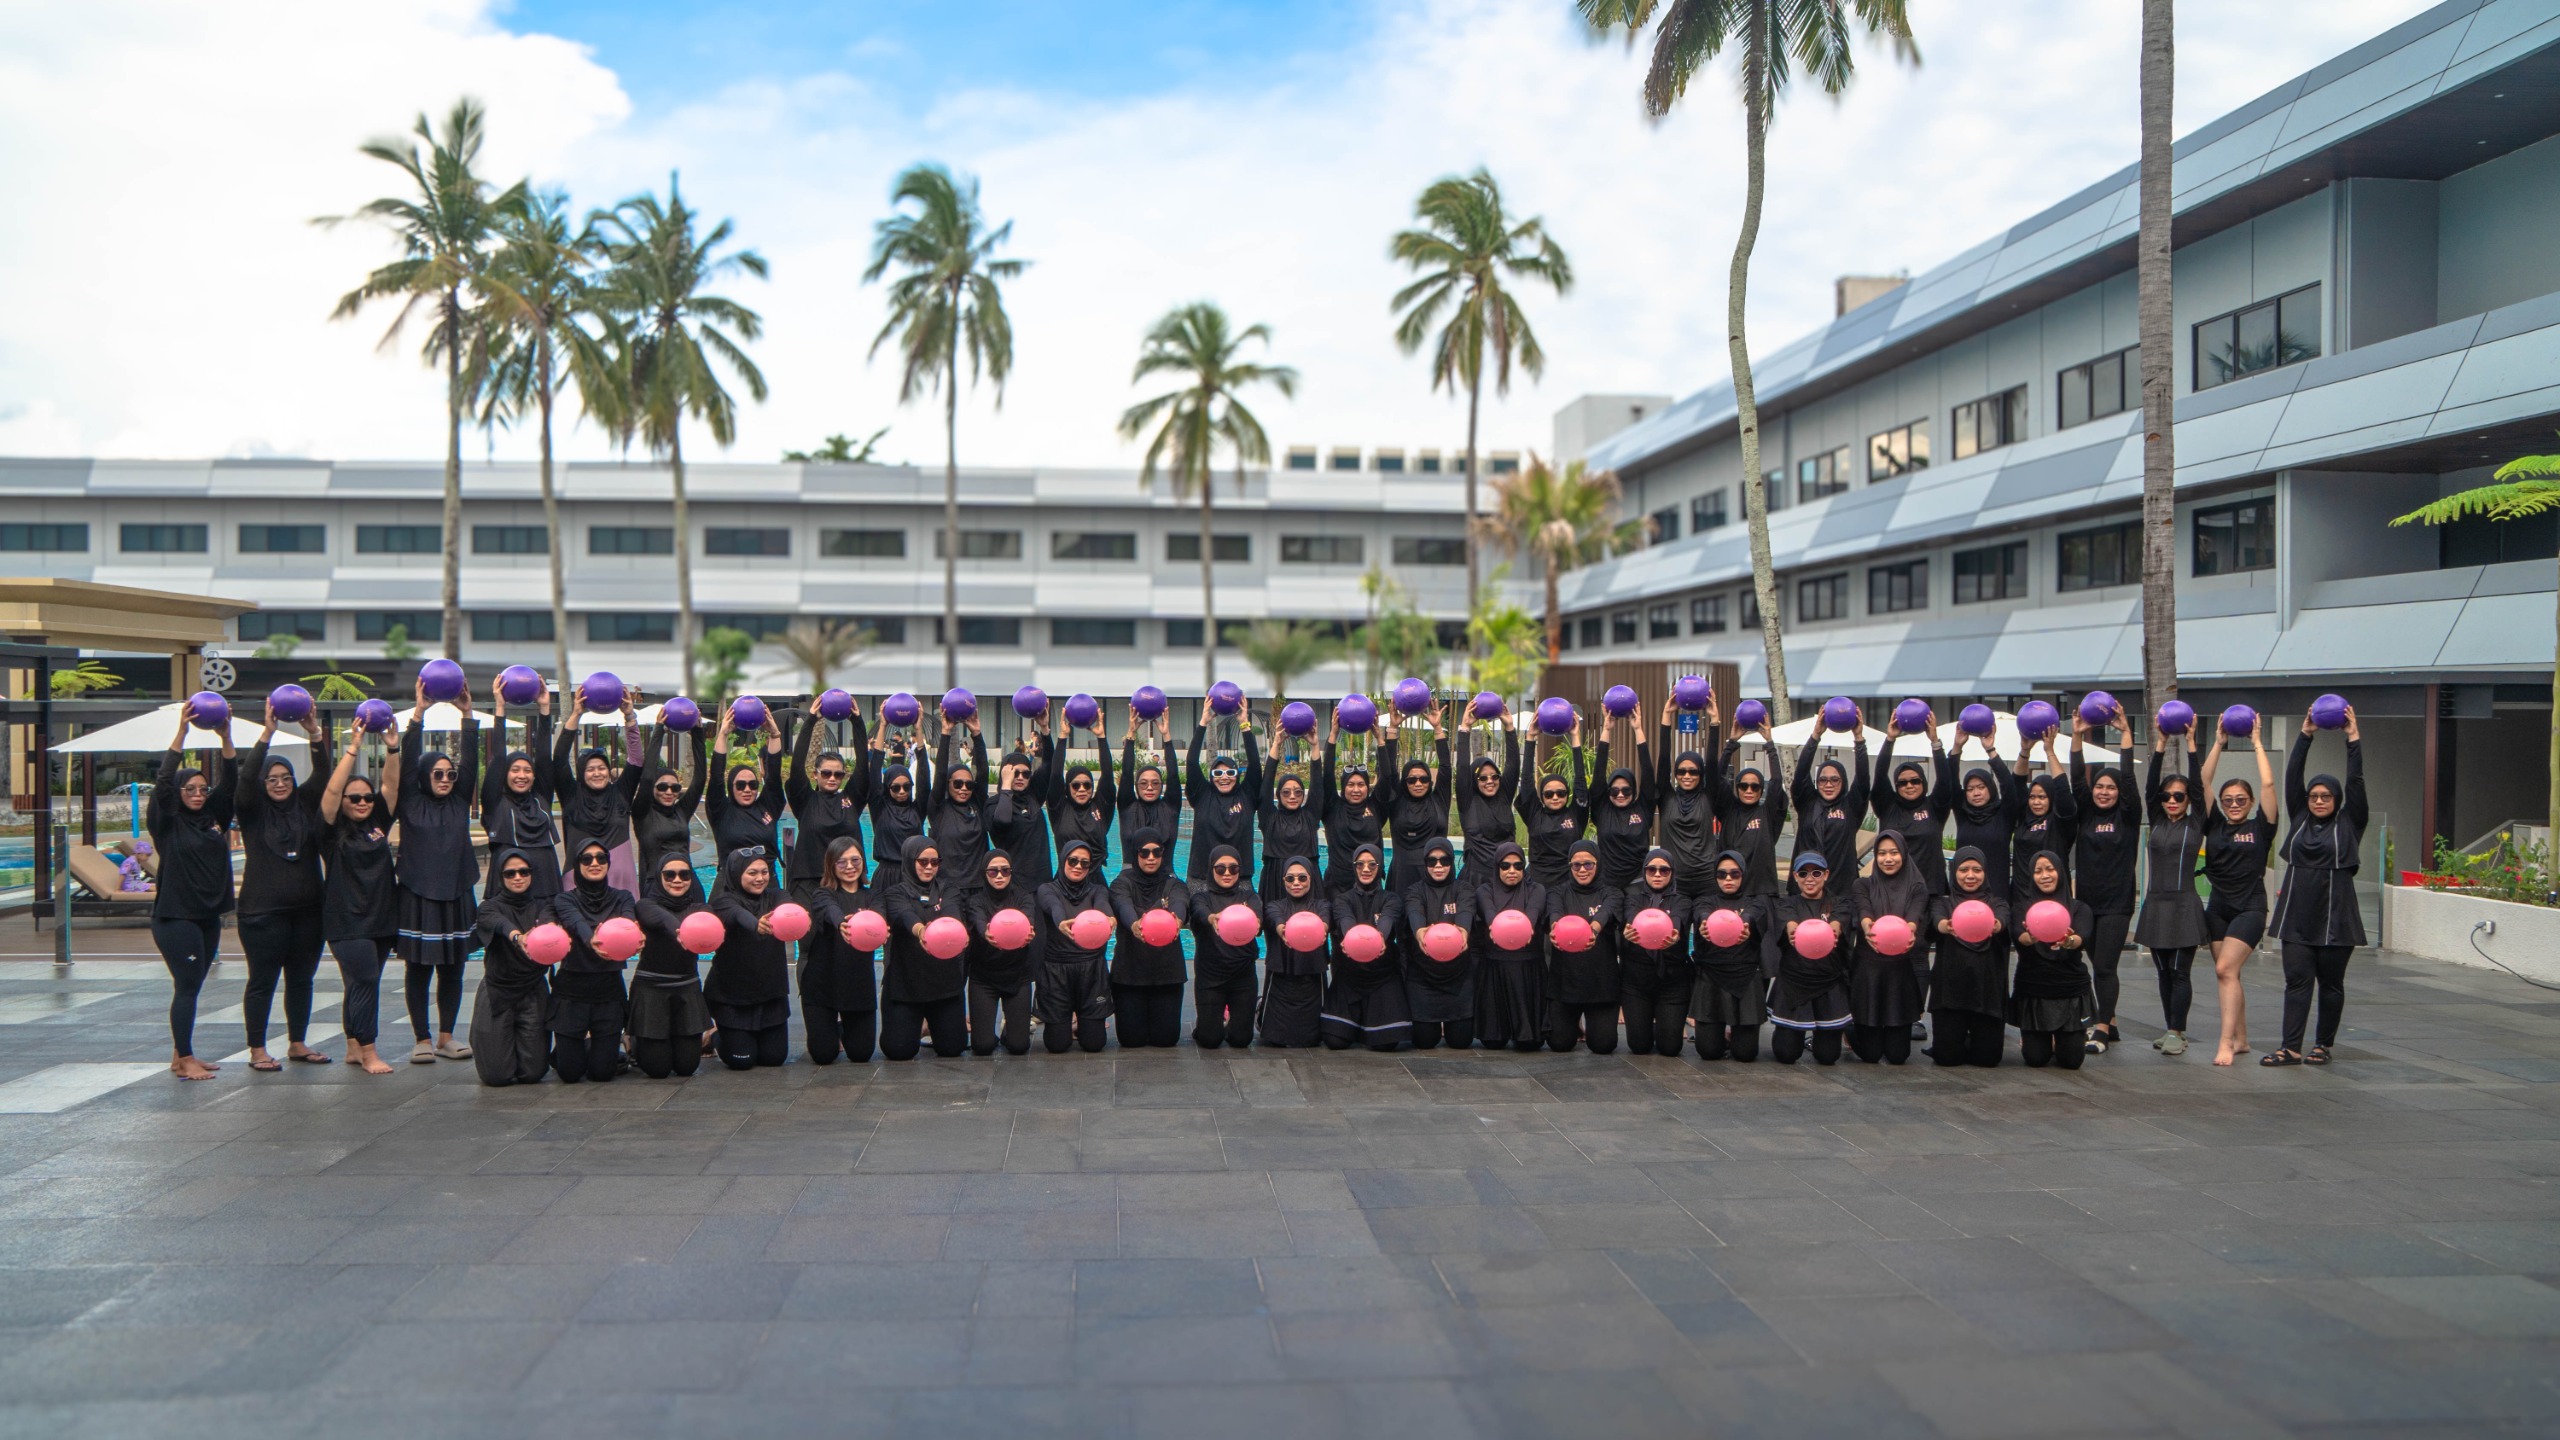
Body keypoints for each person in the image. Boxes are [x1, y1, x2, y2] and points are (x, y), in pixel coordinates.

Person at [234, 702, 332, 1070]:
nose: (279, 784)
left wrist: (315, 734)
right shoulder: (252, 810)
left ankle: (297, 1042)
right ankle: (257, 1048)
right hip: (263, 913)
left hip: (308, 911)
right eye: (272, 779)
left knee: (301, 980)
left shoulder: (305, 805)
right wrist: (267, 732)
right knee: (262, 980)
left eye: (285, 778)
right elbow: (244, 781)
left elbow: (323, 774)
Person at [2269, 705, 2367, 1066]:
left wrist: (2352, 738)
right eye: (2315, 796)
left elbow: (2356, 783)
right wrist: (2305, 734)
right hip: (2296, 913)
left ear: (2336, 800)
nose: (2320, 801)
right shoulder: (2298, 817)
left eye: (2326, 797)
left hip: (2336, 917)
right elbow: (2293, 776)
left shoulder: (2350, 822)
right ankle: (2290, 1047)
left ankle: (2322, 1045)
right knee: (2297, 982)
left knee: (2331, 985)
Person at [148, 710, 236, 1081]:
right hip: (176, 917)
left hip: (207, 915)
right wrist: (181, 733)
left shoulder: (213, 818)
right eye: (191, 789)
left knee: (194, 984)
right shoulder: (166, 823)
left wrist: (226, 736)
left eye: (202, 789)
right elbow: (163, 782)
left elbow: (231, 781)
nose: (198, 794)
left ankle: (180, 1053)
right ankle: (185, 1058)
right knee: (186, 986)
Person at [394, 682, 479, 1062]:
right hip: (418, 892)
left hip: (457, 891)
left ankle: (446, 1036)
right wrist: (419, 712)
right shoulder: (410, 801)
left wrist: (467, 716)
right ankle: (422, 1038)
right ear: (425, 776)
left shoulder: (460, 802)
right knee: (419, 968)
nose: (446, 779)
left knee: (453, 967)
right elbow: (409, 759)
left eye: (450, 774)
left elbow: (472, 762)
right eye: (439, 774)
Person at [320, 719, 400, 1074]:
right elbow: (332, 794)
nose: (363, 801)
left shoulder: (378, 823)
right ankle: (369, 1050)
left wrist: (392, 746)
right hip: (346, 921)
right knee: (366, 979)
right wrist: (352, 747)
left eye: (367, 796)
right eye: (355, 798)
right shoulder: (330, 831)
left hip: (381, 918)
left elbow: (391, 784)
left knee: (359, 982)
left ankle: (353, 1044)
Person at [2203, 713, 2277, 1067]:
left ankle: (2226, 1042)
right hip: (2218, 906)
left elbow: (2268, 786)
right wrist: (2218, 742)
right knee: (2230, 973)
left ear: (2249, 803)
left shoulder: (2261, 828)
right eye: (2228, 800)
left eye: (2240, 799)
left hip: (2249, 906)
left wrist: (2258, 741)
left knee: (2224, 971)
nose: (2233, 804)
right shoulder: (2214, 824)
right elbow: (2202, 782)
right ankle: (2243, 1038)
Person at [2069, 705, 2141, 1057]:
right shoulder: (2084, 814)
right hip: (2086, 903)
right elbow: (2075, 782)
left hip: (2116, 903)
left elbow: (2129, 782)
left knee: (2107, 967)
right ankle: (2108, 1022)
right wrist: (2078, 736)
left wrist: (2126, 735)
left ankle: (2100, 1027)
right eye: (2100, 786)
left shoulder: (2127, 816)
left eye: (2110, 788)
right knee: (2094, 964)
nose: (2104, 792)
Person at [2132, 728, 2207, 1057]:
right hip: (2157, 904)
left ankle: (2179, 1030)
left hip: (2184, 905)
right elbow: (2149, 788)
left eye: (2179, 796)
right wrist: (2160, 745)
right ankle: (2170, 1028)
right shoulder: (2158, 821)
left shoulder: (2196, 823)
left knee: (2180, 971)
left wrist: (2191, 746)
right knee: (2163, 972)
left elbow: (2201, 791)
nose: (2172, 801)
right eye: (2167, 796)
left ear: (2188, 799)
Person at [548, 839, 635, 1083]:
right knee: (569, 1073)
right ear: (577, 865)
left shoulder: (623, 897)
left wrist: (634, 934)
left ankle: (599, 1049)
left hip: (608, 990)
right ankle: (572, 1050)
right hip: (571, 990)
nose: (595, 863)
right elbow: (575, 921)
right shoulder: (565, 900)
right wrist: (592, 939)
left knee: (602, 1073)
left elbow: (627, 922)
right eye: (587, 859)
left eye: (601, 858)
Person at [468, 848, 553, 1087]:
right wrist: (518, 937)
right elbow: (499, 923)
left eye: (523, 872)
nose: (518, 877)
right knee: (496, 1076)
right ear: (500, 877)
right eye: (510, 873)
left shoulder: (542, 906)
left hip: (532, 989)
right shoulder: (489, 907)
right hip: (498, 990)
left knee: (533, 1073)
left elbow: (549, 923)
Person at [879, 836, 968, 1060]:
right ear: (910, 861)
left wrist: (957, 931)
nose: (929, 868)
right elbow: (904, 915)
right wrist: (922, 931)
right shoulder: (895, 893)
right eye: (922, 862)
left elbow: (952, 912)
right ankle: (916, 1024)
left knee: (952, 1049)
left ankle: (932, 1024)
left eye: (935, 862)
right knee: (899, 1051)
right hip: (906, 983)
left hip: (942, 982)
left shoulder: (949, 889)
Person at [706, 847, 793, 1069]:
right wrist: (757, 925)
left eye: (764, 872)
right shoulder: (723, 901)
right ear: (736, 874)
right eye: (752, 873)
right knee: (741, 1061)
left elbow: (788, 906)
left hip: (769, 993)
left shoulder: (776, 895)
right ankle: (714, 1036)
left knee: (774, 1059)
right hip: (733, 996)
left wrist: (795, 917)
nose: (760, 878)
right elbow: (737, 915)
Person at [1848, 831, 1929, 1065]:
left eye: (1894, 853)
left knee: (1897, 1056)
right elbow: (1864, 912)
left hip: (1899, 973)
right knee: (1871, 1055)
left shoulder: (1917, 887)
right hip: (1868, 969)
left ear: (1904, 854)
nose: (1888, 859)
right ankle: (1850, 1029)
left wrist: (1909, 930)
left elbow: (1914, 916)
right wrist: (1868, 927)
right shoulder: (1862, 884)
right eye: (1882, 853)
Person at [554, 681, 645, 891]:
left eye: (602, 768)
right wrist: (576, 715)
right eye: (590, 769)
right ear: (581, 773)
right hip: (578, 880)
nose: (597, 773)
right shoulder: (571, 795)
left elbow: (636, 760)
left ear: (609, 771)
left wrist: (630, 717)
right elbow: (559, 759)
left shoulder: (621, 793)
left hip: (621, 881)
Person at [631, 853, 714, 1078]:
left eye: (684, 875)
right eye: (669, 875)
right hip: (652, 989)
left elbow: (708, 924)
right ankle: (636, 1039)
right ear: (659, 878)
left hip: (685, 989)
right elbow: (659, 918)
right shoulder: (645, 905)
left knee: (686, 1067)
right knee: (658, 1069)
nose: (677, 880)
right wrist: (682, 931)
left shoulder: (701, 909)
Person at [2011, 851, 2095, 1070]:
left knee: (2071, 1061)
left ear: (2061, 872)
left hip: (2069, 989)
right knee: (2036, 1059)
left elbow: (2080, 938)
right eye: (2038, 871)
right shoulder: (2022, 907)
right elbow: (2019, 936)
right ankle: (2037, 1039)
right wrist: (2031, 937)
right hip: (2034, 988)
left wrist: (2068, 941)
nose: (2044, 875)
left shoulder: (2079, 908)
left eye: (2050, 869)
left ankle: (2066, 1039)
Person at [1927, 848, 2010, 1067]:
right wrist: (1947, 926)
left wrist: (1994, 925)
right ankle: (1956, 1038)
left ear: (1985, 873)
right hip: (1951, 993)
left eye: (1977, 870)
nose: (1970, 875)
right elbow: (1937, 920)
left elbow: (2002, 921)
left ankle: (1974, 1038)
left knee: (1988, 1060)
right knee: (1947, 1058)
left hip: (1986, 991)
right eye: (1963, 870)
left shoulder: (1997, 903)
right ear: (1954, 872)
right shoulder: (1942, 903)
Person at [801, 836, 881, 1064]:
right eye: (841, 861)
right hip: (822, 986)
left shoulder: (872, 895)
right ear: (831, 865)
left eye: (855, 860)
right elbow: (830, 909)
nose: (849, 867)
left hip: (857, 986)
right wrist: (842, 924)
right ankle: (827, 1028)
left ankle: (843, 1027)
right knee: (824, 1055)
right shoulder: (822, 894)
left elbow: (879, 915)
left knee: (861, 1054)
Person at [1768, 852, 1853, 1066]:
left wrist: (1834, 929)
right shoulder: (1786, 904)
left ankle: (1827, 1034)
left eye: (1816, 873)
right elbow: (1789, 925)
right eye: (1803, 873)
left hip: (1828, 982)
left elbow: (1838, 924)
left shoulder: (1839, 903)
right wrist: (1793, 930)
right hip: (1795, 981)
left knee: (1828, 1056)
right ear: (1795, 877)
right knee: (1786, 1054)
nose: (1810, 878)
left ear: (1826, 875)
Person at [1322, 844, 1409, 1050]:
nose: (1366, 869)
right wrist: (1353, 940)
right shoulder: (1343, 899)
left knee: (1386, 1044)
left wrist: (1378, 938)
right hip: (1350, 974)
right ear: (1354, 867)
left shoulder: (1391, 899)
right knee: (1335, 1041)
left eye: (1372, 864)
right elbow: (1345, 920)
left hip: (1382, 974)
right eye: (1360, 864)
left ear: (1380, 867)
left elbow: (1387, 921)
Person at [1109, 829, 1188, 1048]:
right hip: (1130, 974)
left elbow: (1180, 901)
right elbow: (1122, 903)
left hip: (1166, 974)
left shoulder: (1173, 883)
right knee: (1131, 1040)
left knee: (1166, 1039)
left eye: (1156, 852)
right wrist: (1134, 923)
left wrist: (1177, 919)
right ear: (1135, 854)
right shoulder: (1121, 883)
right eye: (1144, 853)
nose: (1151, 858)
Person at [482, 679, 559, 899]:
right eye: (515, 770)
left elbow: (544, 758)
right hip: (508, 880)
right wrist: (500, 708)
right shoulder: (496, 802)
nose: (522, 775)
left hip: (545, 879)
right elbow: (497, 757)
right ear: (505, 775)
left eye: (527, 770)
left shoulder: (541, 798)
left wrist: (544, 710)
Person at [1034, 840, 1114, 1053]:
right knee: (1057, 1045)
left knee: (1094, 1043)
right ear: (1063, 861)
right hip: (1057, 969)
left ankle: (1084, 1022)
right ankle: (1065, 1021)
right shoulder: (1046, 889)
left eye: (1084, 864)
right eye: (1073, 860)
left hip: (1090, 968)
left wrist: (1109, 917)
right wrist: (1061, 922)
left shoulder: (1097, 890)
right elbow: (1054, 905)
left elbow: (1103, 905)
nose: (1078, 866)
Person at [786, 698, 869, 898]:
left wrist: (857, 722)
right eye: (826, 773)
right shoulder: (806, 800)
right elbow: (797, 766)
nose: (832, 778)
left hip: (847, 881)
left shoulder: (851, 799)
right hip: (809, 881)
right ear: (815, 774)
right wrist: (811, 720)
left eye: (838, 774)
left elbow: (863, 765)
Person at [1546, 839, 1622, 1054]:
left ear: (1598, 865)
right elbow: (1554, 914)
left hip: (1601, 983)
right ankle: (1571, 1026)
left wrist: (1593, 930)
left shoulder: (1612, 893)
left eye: (1588, 864)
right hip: (1565, 981)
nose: (1582, 870)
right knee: (1559, 1044)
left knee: (1603, 1045)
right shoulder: (1558, 892)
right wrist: (1555, 929)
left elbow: (1605, 913)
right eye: (1576, 865)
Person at [1472, 842, 1547, 1052]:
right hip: (1495, 965)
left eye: (1518, 866)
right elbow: (1490, 915)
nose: (1512, 871)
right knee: (1493, 1042)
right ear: (1496, 867)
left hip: (1527, 965)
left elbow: (1533, 913)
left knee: (1529, 1043)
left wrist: (1525, 928)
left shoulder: (1537, 890)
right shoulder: (1484, 891)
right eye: (1505, 866)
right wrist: (1500, 930)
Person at [1690, 853, 1766, 1061]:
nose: (1728, 879)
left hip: (1745, 975)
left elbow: (1752, 916)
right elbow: (1701, 913)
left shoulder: (1756, 901)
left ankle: (1738, 1036)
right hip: (1711, 976)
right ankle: (1719, 1037)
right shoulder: (1705, 900)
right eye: (1722, 874)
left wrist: (1744, 925)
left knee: (1746, 1054)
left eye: (1734, 874)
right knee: (1708, 1051)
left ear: (1743, 875)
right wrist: (1705, 923)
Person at [1403, 837, 1476, 1050]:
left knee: (1461, 1042)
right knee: (1424, 1041)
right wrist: (1420, 932)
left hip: (1458, 975)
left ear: (1452, 863)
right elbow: (1414, 912)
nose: (1438, 866)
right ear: (1425, 864)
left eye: (1444, 861)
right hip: (1424, 976)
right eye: (1432, 861)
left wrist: (1462, 931)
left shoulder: (1464, 889)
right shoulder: (1415, 890)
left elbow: (1466, 911)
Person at [1186, 845, 1262, 1048]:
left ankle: (1233, 1019)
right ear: (1211, 870)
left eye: (1233, 868)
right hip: (1211, 977)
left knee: (1241, 1040)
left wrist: (1255, 921)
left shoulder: (1249, 897)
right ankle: (1207, 1024)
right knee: (1210, 1040)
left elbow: (1258, 916)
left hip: (1242, 977)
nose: (1227, 873)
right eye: (1220, 869)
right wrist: (1212, 918)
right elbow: (1199, 912)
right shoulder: (1202, 898)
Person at [965, 849, 1039, 1056]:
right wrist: (985, 932)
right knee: (982, 1046)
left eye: (1005, 871)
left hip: (1017, 976)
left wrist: (1029, 929)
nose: (999, 876)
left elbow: (1028, 917)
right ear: (984, 873)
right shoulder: (975, 901)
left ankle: (1011, 1030)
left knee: (1018, 1046)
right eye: (993, 871)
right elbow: (978, 920)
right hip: (984, 978)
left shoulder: (1023, 897)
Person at [1619, 847, 1691, 1057]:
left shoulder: (1682, 900)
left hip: (1672, 981)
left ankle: (1667, 1025)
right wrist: (1630, 929)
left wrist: (1674, 934)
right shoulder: (1632, 898)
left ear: (1672, 872)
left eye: (1664, 870)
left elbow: (1678, 919)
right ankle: (1645, 1023)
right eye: (1651, 870)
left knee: (1670, 1048)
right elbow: (1631, 917)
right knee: (1639, 1047)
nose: (1657, 874)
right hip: (1637, 981)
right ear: (1644, 872)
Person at [1871, 714, 1956, 894]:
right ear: (1896, 787)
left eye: (1915, 781)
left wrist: (1934, 741)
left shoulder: (1935, 807)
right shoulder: (1888, 807)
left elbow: (1945, 781)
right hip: (1892, 890)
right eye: (1902, 783)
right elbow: (1879, 776)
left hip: (1931, 888)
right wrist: (1889, 740)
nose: (1909, 785)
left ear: (1923, 783)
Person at [708, 703, 787, 882]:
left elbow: (773, 776)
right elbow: (716, 777)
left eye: (753, 785)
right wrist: (723, 734)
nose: (747, 790)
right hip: (731, 885)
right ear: (731, 787)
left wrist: (775, 735)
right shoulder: (721, 811)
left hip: (766, 883)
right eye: (741, 785)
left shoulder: (767, 807)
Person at [1710, 716, 1787, 896]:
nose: (1749, 790)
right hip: (1731, 892)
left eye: (1755, 786)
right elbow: (1716, 780)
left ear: (1761, 790)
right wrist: (1732, 743)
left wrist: (1769, 743)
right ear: (1737, 788)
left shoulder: (1767, 814)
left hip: (1762, 892)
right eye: (1743, 786)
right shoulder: (1728, 810)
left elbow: (1776, 782)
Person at [1381, 703, 1452, 893]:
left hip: (1434, 879)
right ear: (1405, 782)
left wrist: (1438, 729)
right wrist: (1393, 729)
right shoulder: (1397, 801)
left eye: (1424, 779)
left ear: (1430, 781)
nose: (1418, 783)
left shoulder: (1439, 801)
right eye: (1412, 780)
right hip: (1401, 877)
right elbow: (1387, 772)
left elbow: (1446, 767)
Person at [1187, 705, 1262, 887]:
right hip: (1202, 878)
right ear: (1211, 777)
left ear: (1237, 775)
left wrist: (1244, 724)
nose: (1224, 778)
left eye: (1230, 773)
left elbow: (1255, 763)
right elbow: (1191, 762)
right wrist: (1203, 723)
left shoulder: (1247, 796)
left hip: (1240, 878)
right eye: (1218, 774)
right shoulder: (1202, 795)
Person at [1259, 857, 1329, 1048]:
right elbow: (1275, 918)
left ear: (1310, 879)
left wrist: (1322, 928)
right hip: (1282, 978)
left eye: (1301, 878)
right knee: (1274, 1038)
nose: (1296, 883)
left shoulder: (1321, 905)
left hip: (1311, 977)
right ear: (1283, 881)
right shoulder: (1275, 905)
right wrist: (1283, 929)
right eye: (1290, 879)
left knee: (1311, 1039)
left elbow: (1325, 920)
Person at [1655, 695, 1721, 897]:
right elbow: (1663, 761)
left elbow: (1711, 763)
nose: (1687, 776)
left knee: (1707, 929)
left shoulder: (1707, 797)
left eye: (1693, 772)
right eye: (1681, 771)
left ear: (1701, 775)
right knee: (1673, 930)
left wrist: (1715, 721)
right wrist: (1667, 717)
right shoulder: (1667, 798)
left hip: (1706, 879)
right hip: (1674, 880)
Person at [1516, 710, 1590, 889]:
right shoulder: (1534, 814)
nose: (1555, 797)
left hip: (1568, 885)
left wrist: (1575, 737)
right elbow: (1526, 783)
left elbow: (1580, 782)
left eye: (1561, 793)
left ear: (1567, 794)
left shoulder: (1576, 814)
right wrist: (1530, 738)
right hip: (1536, 885)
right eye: (1549, 794)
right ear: (1541, 797)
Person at [1318, 708, 1386, 894]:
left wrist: (1379, 739)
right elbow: (1327, 777)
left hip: (1371, 888)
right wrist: (1333, 735)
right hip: (1337, 888)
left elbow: (1387, 777)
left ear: (1368, 787)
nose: (1356, 789)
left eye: (1361, 785)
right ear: (1343, 787)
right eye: (1350, 785)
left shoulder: (1375, 807)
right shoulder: (1333, 807)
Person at [1789, 732, 1871, 882]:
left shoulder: (1851, 806)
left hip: (1841, 889)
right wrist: (1815, 736)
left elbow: (1863, 779)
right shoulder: (1807, 803)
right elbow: (1800, 774)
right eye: (1823, 780)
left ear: (1843, 781)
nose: (1828, 785)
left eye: (1835, 780)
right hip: (1807, 886)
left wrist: (1859, 741)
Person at [1455, 701, 1519, 892]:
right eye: (1482, 777)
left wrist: (1509, 728)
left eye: (1494, 776)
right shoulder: (1468, 801)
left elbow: (1513, 765)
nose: (1489, 781)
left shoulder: (1504, 796)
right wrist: (1465, 728)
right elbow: (1462, 767)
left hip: (1508, 877)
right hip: (1476, 880)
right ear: (1475, 780)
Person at [988, 717, 1055, 890]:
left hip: (1041, 884)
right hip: (1012, 888)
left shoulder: (1033, 796)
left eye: (1025, 774)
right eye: (1014, 773)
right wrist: (1006, 787)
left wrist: (1044, 729)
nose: (1020, 777)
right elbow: (1002, 821)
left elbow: (1049, 763)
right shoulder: (993, 804)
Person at [1590, 712, 1654, 892]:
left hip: (1638, 882)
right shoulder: (1602, 809)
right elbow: (1598, 775)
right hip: (1607, 884)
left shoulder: (1643, 808)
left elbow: (1648, 775)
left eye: (1626, 790)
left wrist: (1638, 729)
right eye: (1614, 790)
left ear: (1634, 791)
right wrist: (1606, 730)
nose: (1620, 794)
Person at [634, 722, 708, 877]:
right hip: (655, 883)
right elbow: (647, 777)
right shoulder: (642, 813)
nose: (669, 792)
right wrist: (659, 731)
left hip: (685, 880)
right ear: (652, 788)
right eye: (662, 787)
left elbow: (700, 779)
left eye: (675, 788)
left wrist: (697, 732)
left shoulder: (681, 812)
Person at [930, 713, 995, 890]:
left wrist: (977, 734)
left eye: (968, 784)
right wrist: (945, 733)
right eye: (958, 784)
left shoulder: (977, 805)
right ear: (948, 784)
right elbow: (941, 773)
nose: (964, 788)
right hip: (946, 889)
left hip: (979, 889)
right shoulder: (938, 809)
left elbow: (982, 771)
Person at [1047, 710, 1115, 871]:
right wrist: (1063, 736)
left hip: (1095, 882)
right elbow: (1055, 775)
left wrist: (1101, 737)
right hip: (1065, 882)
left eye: (1087, 785)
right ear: (1067, 788)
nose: (1082, 789)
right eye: (1076, 785)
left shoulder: (1100, 808)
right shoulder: (1059, 809)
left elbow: (1108, 774)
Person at [1117, 715, 1183, 865]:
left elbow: (1173, 775)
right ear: (1136, 786)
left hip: (1165, 877)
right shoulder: (1127, 807)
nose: (1149, 787)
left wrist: (1166, 736)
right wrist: (1131, 735)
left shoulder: (1170, 807)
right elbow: (1127, 772)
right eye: (1143, 783)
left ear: (1161, 786)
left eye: (1155, 783)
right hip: (1130, 877)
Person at [1255, 758, 1322, 903]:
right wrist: (1276, 744)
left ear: (1303, 795)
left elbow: (1317, 783)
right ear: (1278, 795)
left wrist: (1316, 745)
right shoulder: (1269, 818)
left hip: (1307, 879)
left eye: (1298, 792)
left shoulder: (1310, 816)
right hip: (1275, 879)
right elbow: (1265, 784)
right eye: (1286, 792)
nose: (1292, 796)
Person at [866, 724, 931, 867]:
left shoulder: (917, 810)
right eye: (895, 788)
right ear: (887, 788)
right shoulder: (880, 808)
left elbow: (924, 777)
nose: (902, 791)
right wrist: (882, 725)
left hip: (913, 873)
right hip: (886, 874)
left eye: (907, 787)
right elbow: (875, 772)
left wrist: (919, 729)